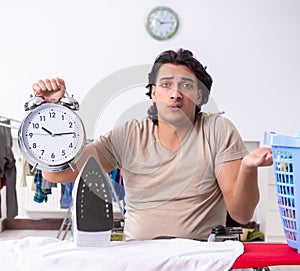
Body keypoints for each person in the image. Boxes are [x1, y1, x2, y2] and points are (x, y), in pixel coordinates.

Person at [32, 48, 273, 241]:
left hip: (200, 257)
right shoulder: (128, 134)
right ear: (153, 92)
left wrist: (248, 168)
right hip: (139, 257)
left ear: (200, 96)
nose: (175, 94)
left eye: (187, 86)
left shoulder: (218, 130)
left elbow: (241, 214)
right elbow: (59, 175)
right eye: (166, 84)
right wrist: (53, 112)